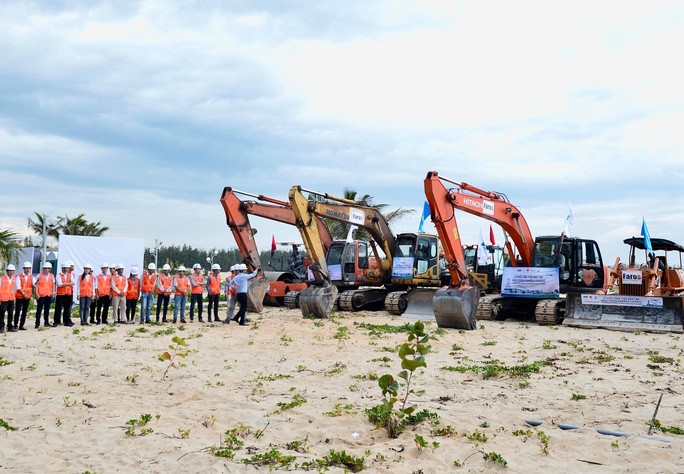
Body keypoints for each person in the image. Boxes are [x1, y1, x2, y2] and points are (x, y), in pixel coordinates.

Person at [13, 262, 34, 331]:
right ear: (24, 269)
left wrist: (37, 283)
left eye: (29, 268)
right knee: (18, 311)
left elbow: (34, 284)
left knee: (24, 311)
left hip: (27, 297)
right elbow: (18, 287)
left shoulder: (32, 276)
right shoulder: (19, 276)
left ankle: (21, 325)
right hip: (20, 296)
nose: (27, 270)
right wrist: (24, 294)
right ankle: (15, 325)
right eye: (26, 268)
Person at [34, 262, 55, 328]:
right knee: (39, 310)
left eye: (47, 268)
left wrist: (53, 292)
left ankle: (46, 322)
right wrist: (36, 294)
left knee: (47, 310)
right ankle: (37, 323)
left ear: (50, 269)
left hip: (48, 295)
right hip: (41, 295)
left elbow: (53, 284)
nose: (46, 269)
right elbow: (35, 285)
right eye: (45, 268)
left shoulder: (52, 276)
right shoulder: (39, 275)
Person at [54, 262, 75, 327]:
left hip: (68, 294)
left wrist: (65, 283)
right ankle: (56, 321)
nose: (68, 269)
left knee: (67, 308)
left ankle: (66, 321)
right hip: (60, 294)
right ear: (63, 268)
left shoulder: (70, 275)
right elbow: (60, 284)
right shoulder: (58, 275)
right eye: (67, 268)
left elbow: (73, 282)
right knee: (58, 308)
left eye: (68, 268)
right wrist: (69, 283)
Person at [0, 264, 17, 333]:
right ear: (7, 271)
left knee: (10, 313)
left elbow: (14, 289)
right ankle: (1, 327)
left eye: (12, 271)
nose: (11, 272)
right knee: (1, 313)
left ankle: (10, 326)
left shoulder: (14, 279)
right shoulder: (2, 279)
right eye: (10, 270)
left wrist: (14, 297)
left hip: (11, 299)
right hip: (3, 299)